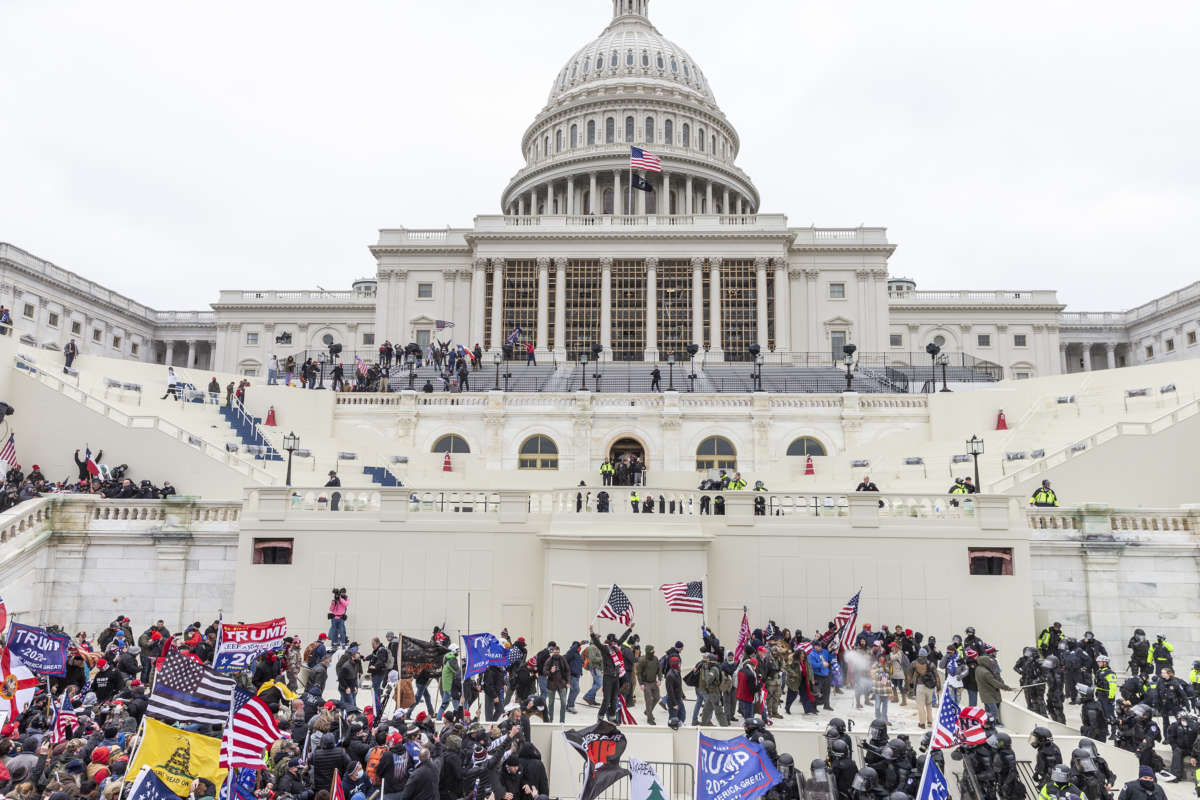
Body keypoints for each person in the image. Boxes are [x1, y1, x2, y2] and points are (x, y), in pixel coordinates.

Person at [589, 624, 634, 723]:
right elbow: (597, 643)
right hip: (608, 677)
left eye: (615, 641)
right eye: (612, 641)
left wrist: (630, 629)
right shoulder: (605, 649)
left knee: (614, 699)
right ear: (609, 641)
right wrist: (592, 633)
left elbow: (623, 638)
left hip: (616, 677)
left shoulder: (616, 647)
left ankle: (612, 717)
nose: (614, 643)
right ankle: (600, 717)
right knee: (607, 699)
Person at [636, 644, 661, 725]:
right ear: (648, 651)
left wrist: (659, 679)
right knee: (648, 701)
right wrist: (641, 684)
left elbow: (659, 670)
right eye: (652, 650)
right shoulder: (642, 660)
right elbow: (638, 673)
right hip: (645, 683)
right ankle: (649, 719)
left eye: (653, 650)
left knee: (657, 698)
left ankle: (647, 711)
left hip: (654, 682)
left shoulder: (656, 658)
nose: (653, 651)